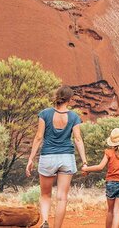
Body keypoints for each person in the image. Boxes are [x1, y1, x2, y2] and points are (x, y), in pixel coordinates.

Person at [26, 85, 88, 228]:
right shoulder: (74, 116)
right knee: (62, 198)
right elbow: (78, 139)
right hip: (66, 157)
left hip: (48, 156)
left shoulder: (45, 114)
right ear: (70, 99)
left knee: (45, 194)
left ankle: (45, 221)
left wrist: (30, 159)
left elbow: (38, 137)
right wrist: (84, 161)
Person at [82, 128, 119, 228]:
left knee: (110, 211)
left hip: (110, 184)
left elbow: (100, 167)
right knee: (117, 212)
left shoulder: (109, 153)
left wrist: (86, 168)